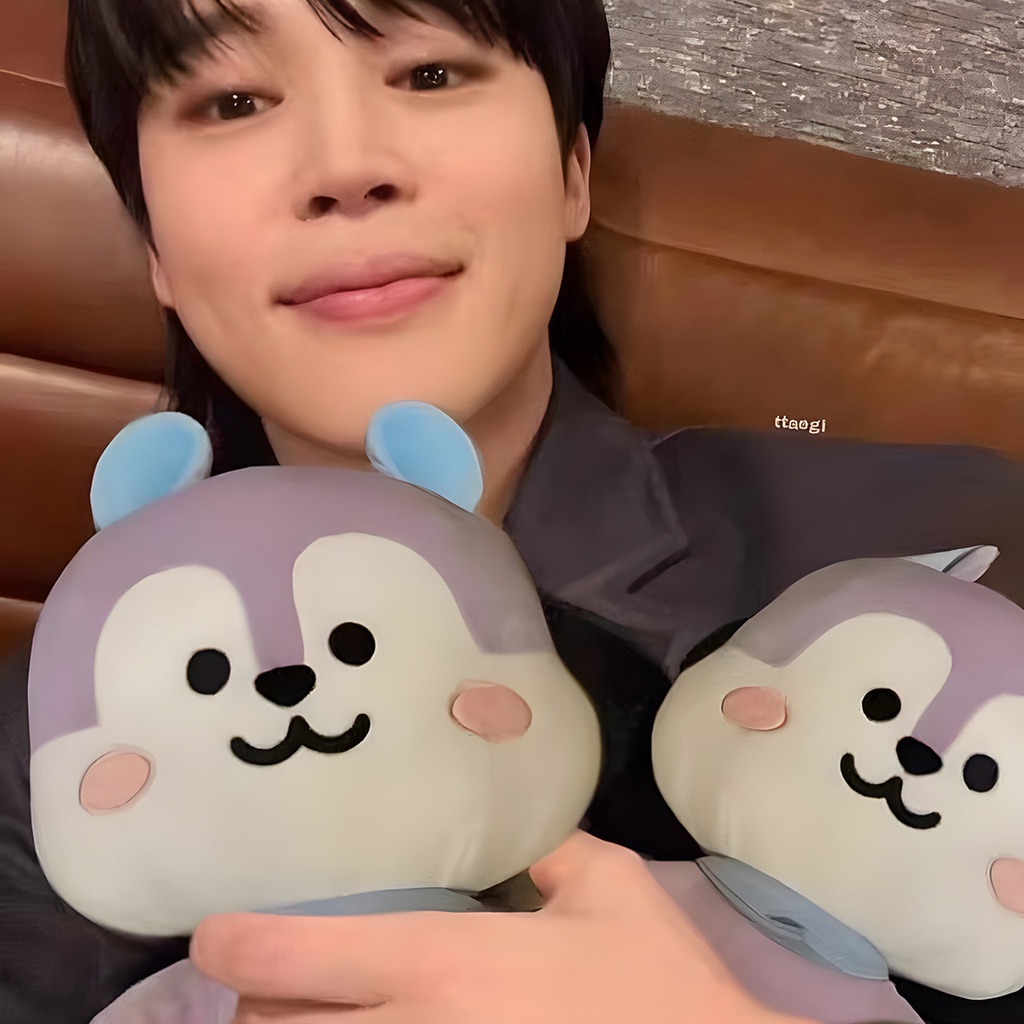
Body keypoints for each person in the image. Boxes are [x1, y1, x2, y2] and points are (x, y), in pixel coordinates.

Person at [3, 0, 1024, 1020]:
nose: (346, 167)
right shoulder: (49, 740)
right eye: (232, 101)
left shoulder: (944, 553)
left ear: (573, 171)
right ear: (155, 243)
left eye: (431, 74)